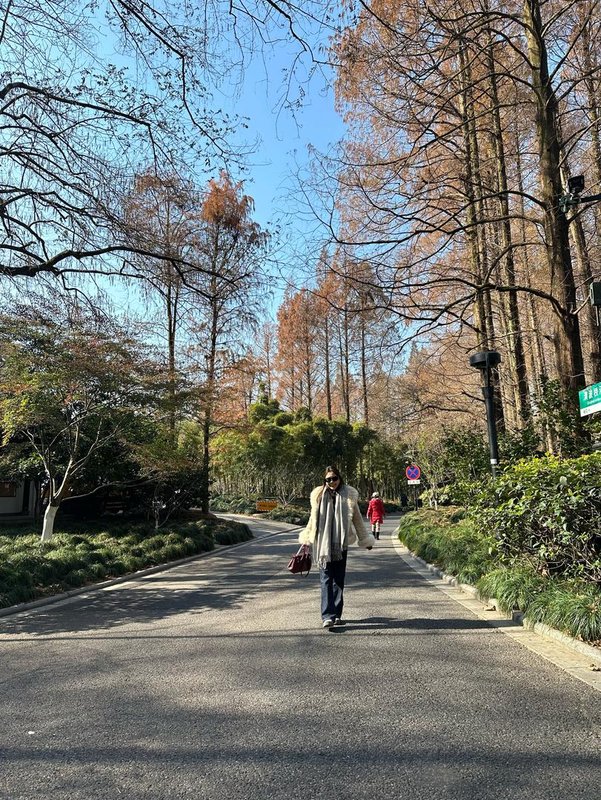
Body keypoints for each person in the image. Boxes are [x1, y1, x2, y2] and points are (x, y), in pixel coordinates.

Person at [299, 466, 375, 629]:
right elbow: (313, 519)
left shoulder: (349, 494)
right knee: (326, 579)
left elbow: (357, 519)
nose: (332, 482)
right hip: (323, 544)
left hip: (341, 544)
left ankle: (337, 614)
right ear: (324, 480)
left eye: (334, 478)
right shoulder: (318, 494)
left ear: (340, 478)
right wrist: (306, 538)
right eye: (328, 479)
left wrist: (365, 540)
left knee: (338, 580)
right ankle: (328, 616)